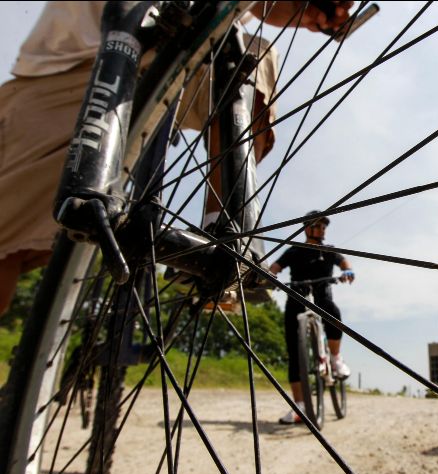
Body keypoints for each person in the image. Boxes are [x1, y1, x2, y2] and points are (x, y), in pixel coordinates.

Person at [0, 1, 353, 316]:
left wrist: (307, 11)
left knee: (252, 57)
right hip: (68, 64)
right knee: (10, 252)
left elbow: (262, 7)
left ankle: (225, 237)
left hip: (187, 45)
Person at [269, 211, 355, 424]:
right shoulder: (294, 251)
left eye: (325, 226)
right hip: (296, 296)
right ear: (307, 228)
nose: (323, 229)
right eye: (319, 226)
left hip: (322, 293)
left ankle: (335, 358)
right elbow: (275, 267)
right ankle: (299, 407)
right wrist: (270, 276)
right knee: (294, 353)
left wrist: (348, 272)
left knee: (333, 313)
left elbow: (344, 262)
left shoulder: (328, 250)